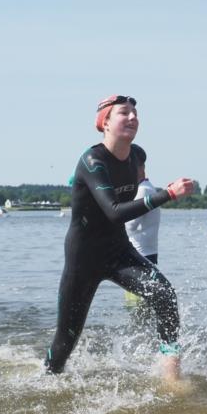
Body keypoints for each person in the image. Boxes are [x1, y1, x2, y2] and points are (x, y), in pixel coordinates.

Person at [44, 94, 195, 380]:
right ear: (105, 123)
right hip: (83, 258)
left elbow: (130, 192)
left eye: (135, 113)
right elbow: (114, 212)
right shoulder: (92, 160)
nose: (133, 117)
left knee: (164, 295)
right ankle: (47, 379)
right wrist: (168, 194)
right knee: (66, 341)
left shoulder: (137, 155)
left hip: (118, 251)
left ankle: (170, 373)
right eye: (123, 113)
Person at [125, 146, 161, 265]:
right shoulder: (144, 188)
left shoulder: (143, 190)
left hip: (142, 255)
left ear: (142, 168)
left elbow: (130, 225)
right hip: (143, 253)